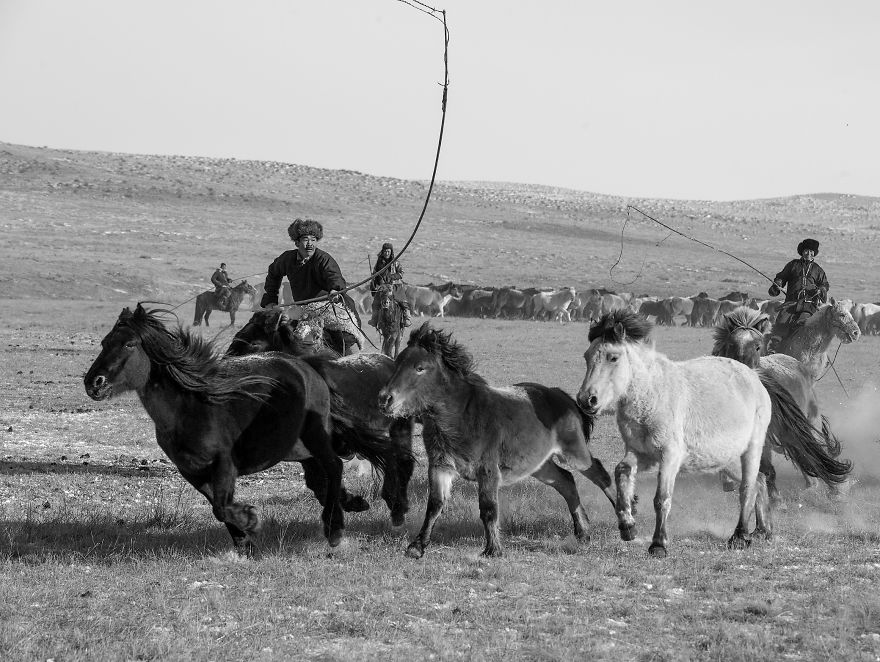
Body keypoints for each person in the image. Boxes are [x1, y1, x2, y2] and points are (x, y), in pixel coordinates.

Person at [260, 218, 363, 349]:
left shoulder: (324, 259)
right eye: (306, 239)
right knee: (276, 335)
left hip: (328, 305)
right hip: (302, 308)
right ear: (297, 242)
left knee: (346, 338)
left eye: (313, 240)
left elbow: (334, 276)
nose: (310, 244)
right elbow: (273, 273)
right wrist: (271, 300)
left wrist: (335, 290)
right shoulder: (287, 259)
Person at [765, 238, 829, 353]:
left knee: (807, 324)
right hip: (791, 303)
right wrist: (778, 283)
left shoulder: (818, 270)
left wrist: (821, 290)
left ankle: (818, 353)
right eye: (806, 251)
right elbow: (781, 277)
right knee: (782, 320)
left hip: (809, 305)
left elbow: (824, 284)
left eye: (811, 251)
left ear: (814, 253)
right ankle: (774, 348)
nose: (808, 254)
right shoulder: (793, 265)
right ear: (801, 251)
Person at [368, 242, 411, 328]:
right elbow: (375, 274)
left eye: (388, 251)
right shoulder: (379, 263)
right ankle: (374, 319)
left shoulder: (396, 262)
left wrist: (392, 276)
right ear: (382, 252)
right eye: (385, 251)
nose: (386, 253)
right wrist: (373, 281)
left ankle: (407, 318)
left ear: (391, 252)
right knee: (375, 303)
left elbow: (401, 273)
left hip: (395, 286)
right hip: (383, 287)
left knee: (403, 303)